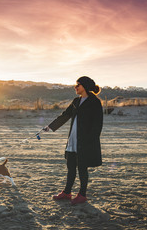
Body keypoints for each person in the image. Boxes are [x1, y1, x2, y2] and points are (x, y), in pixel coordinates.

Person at [44, 76, 103, 205]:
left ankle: (82, 194)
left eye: (78, 85)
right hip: (73, 139)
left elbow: (97, 124)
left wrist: (90, 141)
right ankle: (67, 192)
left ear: (85, 86)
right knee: (71, 167)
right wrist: (50, 126)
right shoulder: (76, 101)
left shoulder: (95, 102)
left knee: (82, 168)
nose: (75, 87)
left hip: (85, 142)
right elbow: (65, 115)